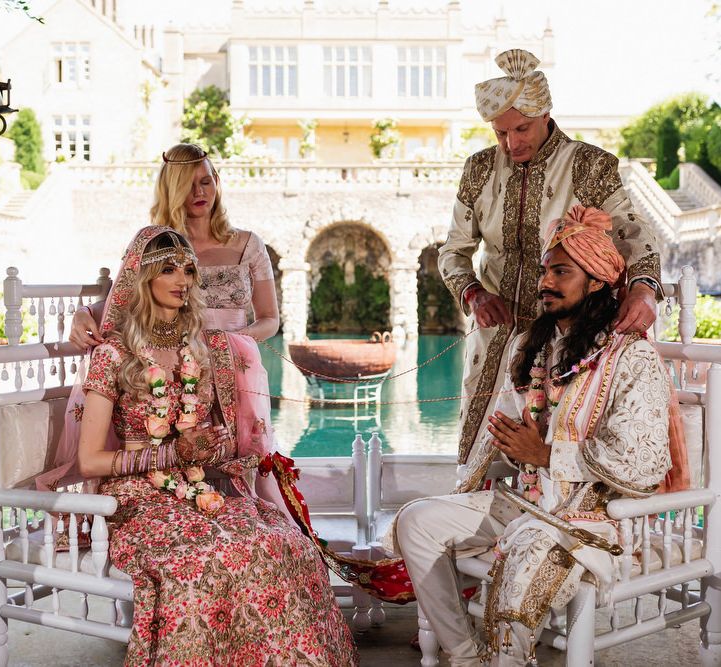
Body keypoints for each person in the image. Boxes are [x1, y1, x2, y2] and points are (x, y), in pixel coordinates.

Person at [392, 205, 673, 666]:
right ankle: (466, 655)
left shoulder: (630, 358)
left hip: (590, 518)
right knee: (417, 520)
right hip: (524, 499)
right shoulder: (532, 347)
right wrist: (499, 454)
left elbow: (643, 464)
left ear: (598, 281)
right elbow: (506, 430)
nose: (545, 282)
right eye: (545, 271)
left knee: (525, 556)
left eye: (561, 272)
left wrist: (546, 455)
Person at [76, 225, 357, 666]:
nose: (182, 279)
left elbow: (199, 438)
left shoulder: (205, 349)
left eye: (188, 269)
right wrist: (173, 454)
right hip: (140, 498)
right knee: (208, 557)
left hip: (201, 489)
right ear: (143, 279)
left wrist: (215, 448)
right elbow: (90, 460)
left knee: (286, 544)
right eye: (168, 269)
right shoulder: (114, 354)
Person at [438, 48, 663, 467]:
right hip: (496, 338)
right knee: (482, 453)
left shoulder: (590, 166)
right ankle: (480, 524)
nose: (511, 143)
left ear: (545, 114)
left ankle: (557, 525)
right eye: (500, 133)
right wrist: (473, 293)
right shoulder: (480, 169)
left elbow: (634, 233)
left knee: (558, 442)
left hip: (571, 335)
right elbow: (453, 250)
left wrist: (644, 288)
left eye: (521, 129)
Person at [69, 142, 278, 348]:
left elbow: (270, 319)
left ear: (216, 181)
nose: (199, 192)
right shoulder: (152, 244)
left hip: (239, 360)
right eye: (187, 185)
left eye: (205, 182)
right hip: (174, 366)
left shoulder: (249, 245)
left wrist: (233, 340)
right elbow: (121, 301)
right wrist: (83, 313)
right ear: (171, 190)